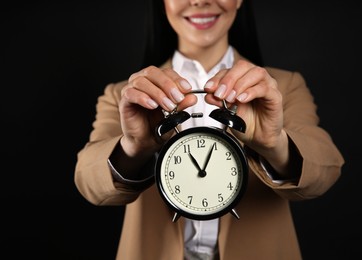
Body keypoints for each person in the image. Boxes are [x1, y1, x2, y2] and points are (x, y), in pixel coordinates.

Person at [74, 0, 345, 259]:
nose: (200, 1)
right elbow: (89, 182)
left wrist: (274, 143)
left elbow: (325, 170)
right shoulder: (127, 96)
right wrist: (135, 146)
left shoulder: (281, 87)